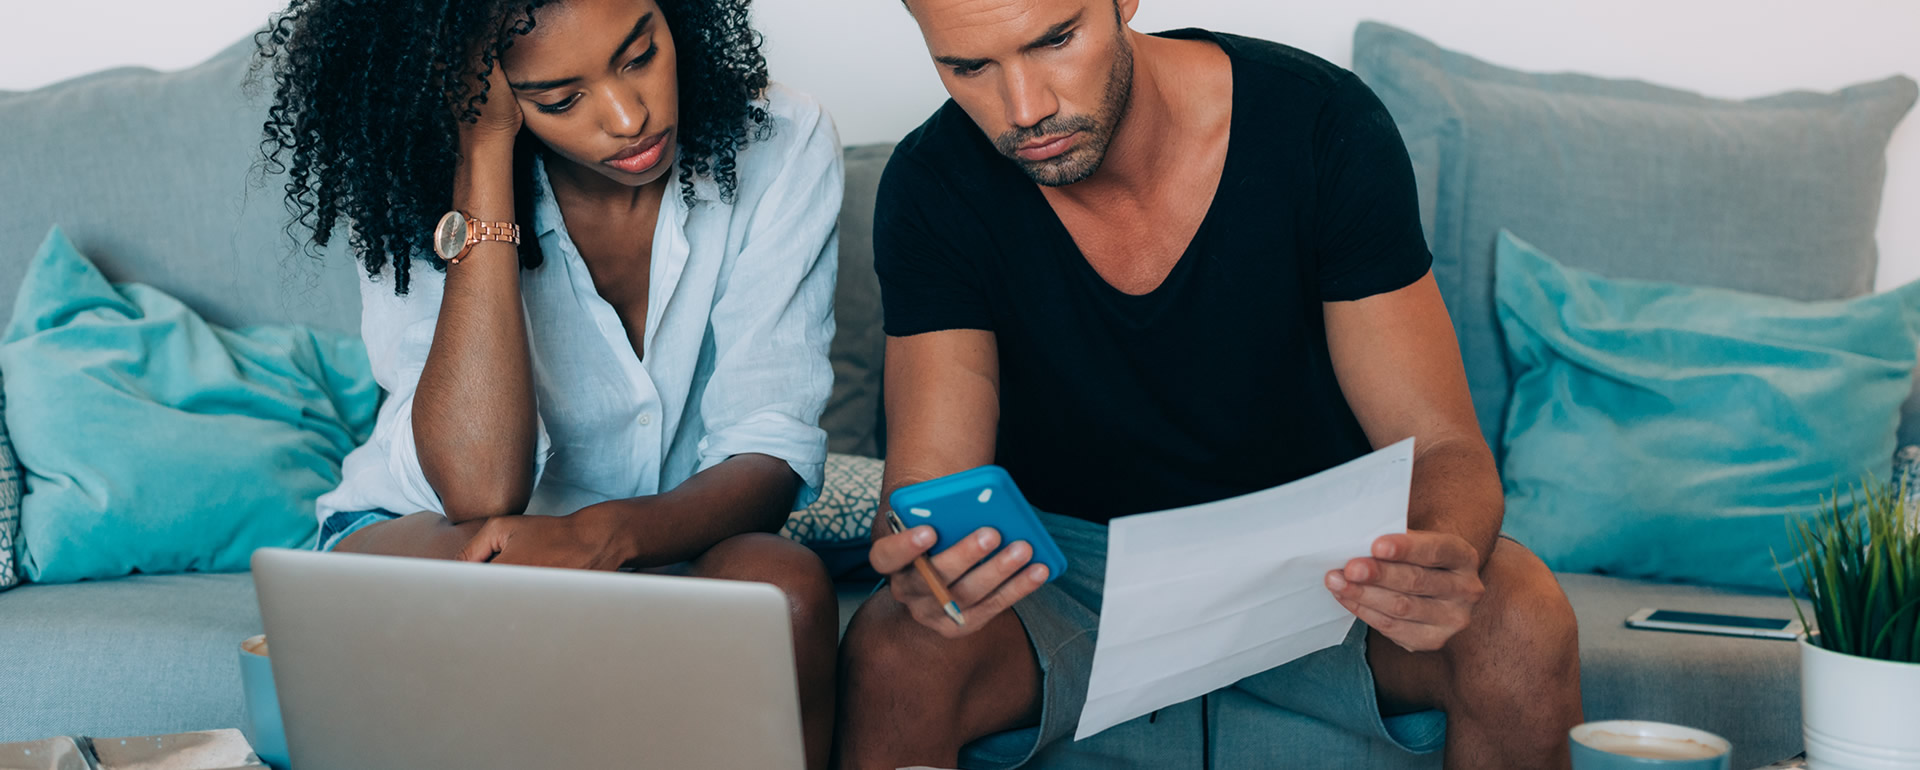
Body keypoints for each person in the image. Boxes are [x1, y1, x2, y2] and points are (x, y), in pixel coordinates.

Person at [838, 0, 1584, 768]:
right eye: (969, 67)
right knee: (897, 646)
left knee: (1520, 610)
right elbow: (930, 483)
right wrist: (925, 563)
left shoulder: (1319, 122)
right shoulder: (934, 182)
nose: (1026, 109)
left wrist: (1437, 557)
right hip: (1074, 586)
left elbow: (1444, 445)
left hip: (1324, 573)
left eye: (1056, 40)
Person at [255, 0, 842, 766]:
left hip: (662, 533)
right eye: (560, 99)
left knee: (785, 592)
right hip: (440, 532)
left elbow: (769, 448)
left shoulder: (781, 142)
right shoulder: (417, 184)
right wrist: (483, 152)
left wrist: (602, 539)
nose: (629, 116)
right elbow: (478, 491)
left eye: (640, 54)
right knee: (497, 583)